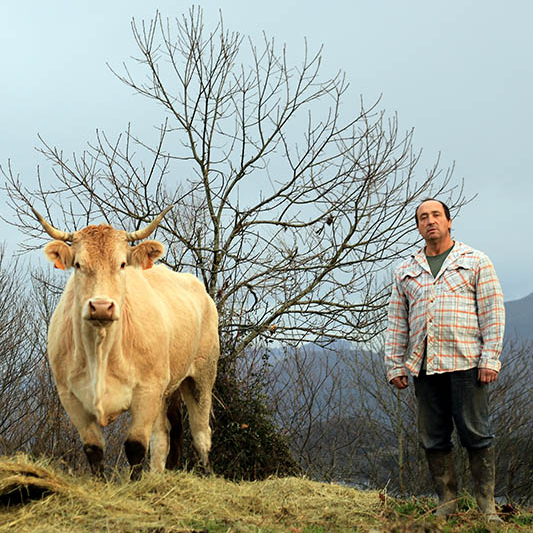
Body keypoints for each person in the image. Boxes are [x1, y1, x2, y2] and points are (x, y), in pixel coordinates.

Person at [384, 198, 505, 521]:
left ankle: (487, 508)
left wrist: (490, 359)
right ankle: (446, 503)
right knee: (433, 437)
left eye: (436, 215)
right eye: (423, 217)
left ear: (449, 222)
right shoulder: (406, 270)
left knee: (477, 434)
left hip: (467, 363)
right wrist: (395, 365)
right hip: (424, 366)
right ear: (418, 226)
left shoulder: (476, 260)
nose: (430, 221)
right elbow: (397, 322)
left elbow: (493, 313)